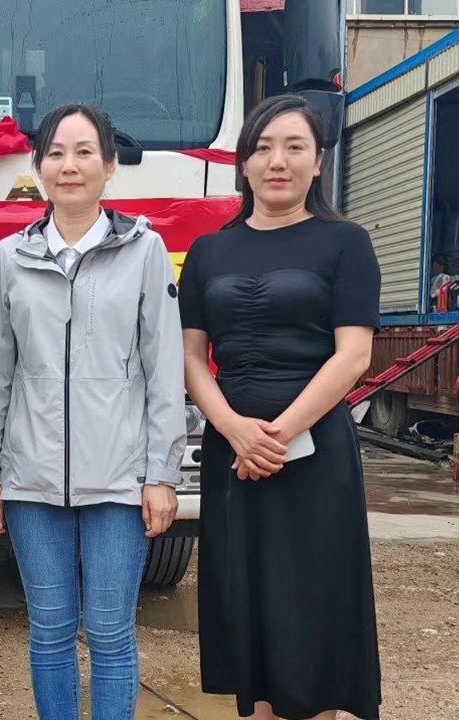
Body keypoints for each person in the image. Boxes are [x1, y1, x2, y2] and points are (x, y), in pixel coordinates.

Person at [0, 103, 185, 720]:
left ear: (110, 166)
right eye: (56, 153)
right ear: (38, 168)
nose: (70, 165)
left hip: (119, 480)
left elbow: (163, 368)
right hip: (32, 481)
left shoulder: (144, 250)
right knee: (50, 631)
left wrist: (161, 473)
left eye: (85, 151)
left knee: (112, 632)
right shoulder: (13, 256)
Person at [178, 94, 382, 720]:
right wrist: (236, 430)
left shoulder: (346, 243)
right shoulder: (209, 251)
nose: (277, 161)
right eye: (262, 148)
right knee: (248, 595)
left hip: (316, 452)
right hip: (230, 449)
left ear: (318, 162)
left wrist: (278, 435)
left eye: (294, 147)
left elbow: (352, 357)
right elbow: (190, 359)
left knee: (315, 595)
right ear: (243, 163)